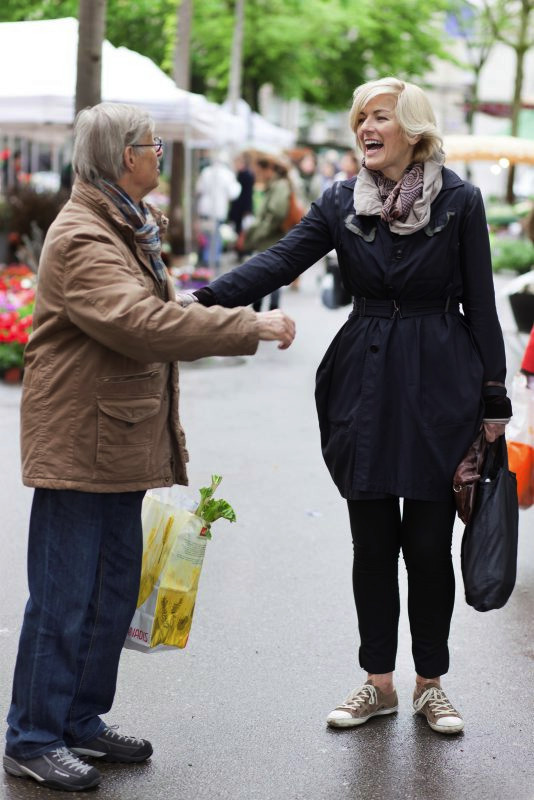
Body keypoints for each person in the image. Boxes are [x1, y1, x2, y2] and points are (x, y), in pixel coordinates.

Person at [180, 77, 512, 735]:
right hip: (364, 379)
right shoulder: (340, 200)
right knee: (370, 544)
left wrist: (494, 398)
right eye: (360, 116)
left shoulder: (461, 201)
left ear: (412, 129)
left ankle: (431, 684)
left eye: (379, 116)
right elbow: (279, 261)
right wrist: (202, 299)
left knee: (426, 544)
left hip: (442, 378)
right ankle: (377, 683)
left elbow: (481, 300)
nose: (365, 126)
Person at [3, 102, 295, 793]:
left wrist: (204, 310)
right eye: (151, 144)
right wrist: (245, 327)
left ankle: (78, 719)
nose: (159, 154)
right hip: (81, 442)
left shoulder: (125, 225)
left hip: (117, 438)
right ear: (120, 156)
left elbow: (164, 307)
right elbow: (141, 324)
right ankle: (33, 735)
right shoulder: (83, 235)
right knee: (63, 598)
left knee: (108, 593)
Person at [237, 152, 292, 311]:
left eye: (259, 172)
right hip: (269, 238)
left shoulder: (279, 185)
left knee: (269, 275)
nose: (257, 176)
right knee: (267, 274)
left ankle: (271, 310)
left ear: (268, 170)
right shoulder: (274, 185)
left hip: (271, 239)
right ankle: (264, 308)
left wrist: (259, 233)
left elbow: (276, 213)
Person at [196, 150, 241, 271]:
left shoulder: (206, 172)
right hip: (218, 210)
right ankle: (212, 260)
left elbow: (199, 188)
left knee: (206, 234)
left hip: (205, 208)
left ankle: (205, 259)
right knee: (215, 236)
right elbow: (234, 193)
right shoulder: (228, 174)